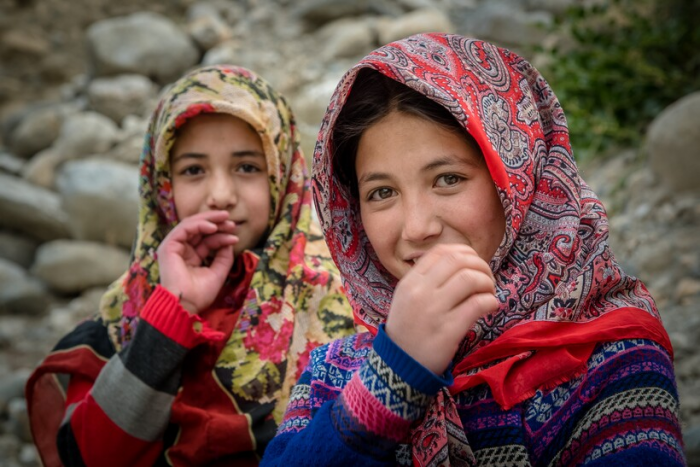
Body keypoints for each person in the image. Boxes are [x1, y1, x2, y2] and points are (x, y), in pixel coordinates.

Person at [261, 34, 685, 466]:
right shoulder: (333, 375)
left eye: (448, 179)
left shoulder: (612, 359)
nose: (418, 227)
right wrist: (392, 376)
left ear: (521, 183)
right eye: (382, 192)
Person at [25, 65, 356, 467]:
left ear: (282, 174)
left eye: (247, 167)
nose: (220, 195)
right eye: (193, 170)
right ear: (162, 185)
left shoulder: (341, 299)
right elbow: (91, 457)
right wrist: (171, 311)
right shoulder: (127, 310)